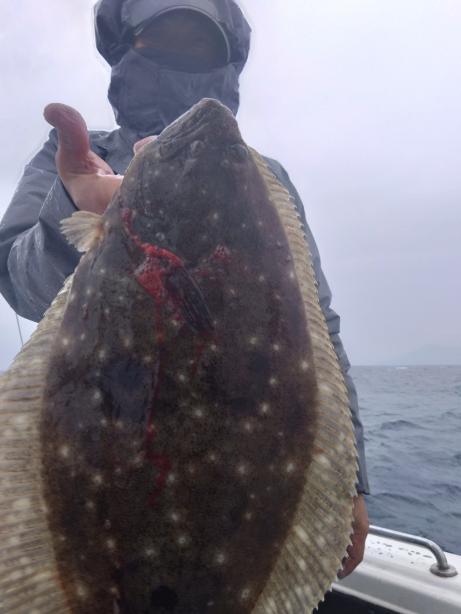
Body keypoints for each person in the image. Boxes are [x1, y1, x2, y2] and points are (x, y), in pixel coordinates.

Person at [0, 0, 369, 579]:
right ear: (126, 50)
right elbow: (19, 284)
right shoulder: (72, 162)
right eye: (159, 38)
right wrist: (71, 211)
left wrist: (350, 482)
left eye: (199, 43)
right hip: (103, 446)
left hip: (243, 463)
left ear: (226, 59)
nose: (180, 55)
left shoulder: (266, 181)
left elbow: (318, 325)